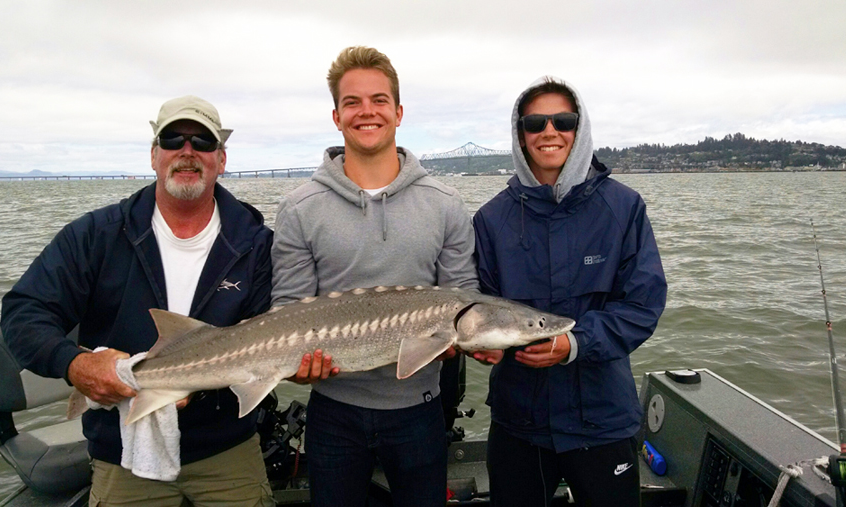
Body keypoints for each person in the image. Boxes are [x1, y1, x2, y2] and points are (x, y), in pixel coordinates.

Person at [0, 96, 276, 507]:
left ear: (220, 158)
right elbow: (24, 312)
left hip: (226, 448)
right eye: (173, 139)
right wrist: (73, 364)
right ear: (153, 155)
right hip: (123, 448)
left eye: (202, 141)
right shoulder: (96, 236)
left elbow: (271, 337)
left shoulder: (256, 243)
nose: (187, 151)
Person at [270, 46, 479, 507]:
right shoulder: (300, 209)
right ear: (336, 116)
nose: (367, 111)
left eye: (380, 100)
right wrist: (297, 368)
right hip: (333, 413)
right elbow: (287, 309)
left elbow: (465, 300)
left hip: (420, 411)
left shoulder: (445, 204)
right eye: (353, 102)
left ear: (399, 112)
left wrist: (459, 344)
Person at [472, 77, 667, 507]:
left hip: (604, 420)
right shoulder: (490, 220)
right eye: (535, 122)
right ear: (520, 134)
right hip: (519, 424)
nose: (549, 131)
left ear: (579, 130)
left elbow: (642, 305)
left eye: (563, 120)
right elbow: (478, 305)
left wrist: (574, 343)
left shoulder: (624, 207)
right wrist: (479, 345)